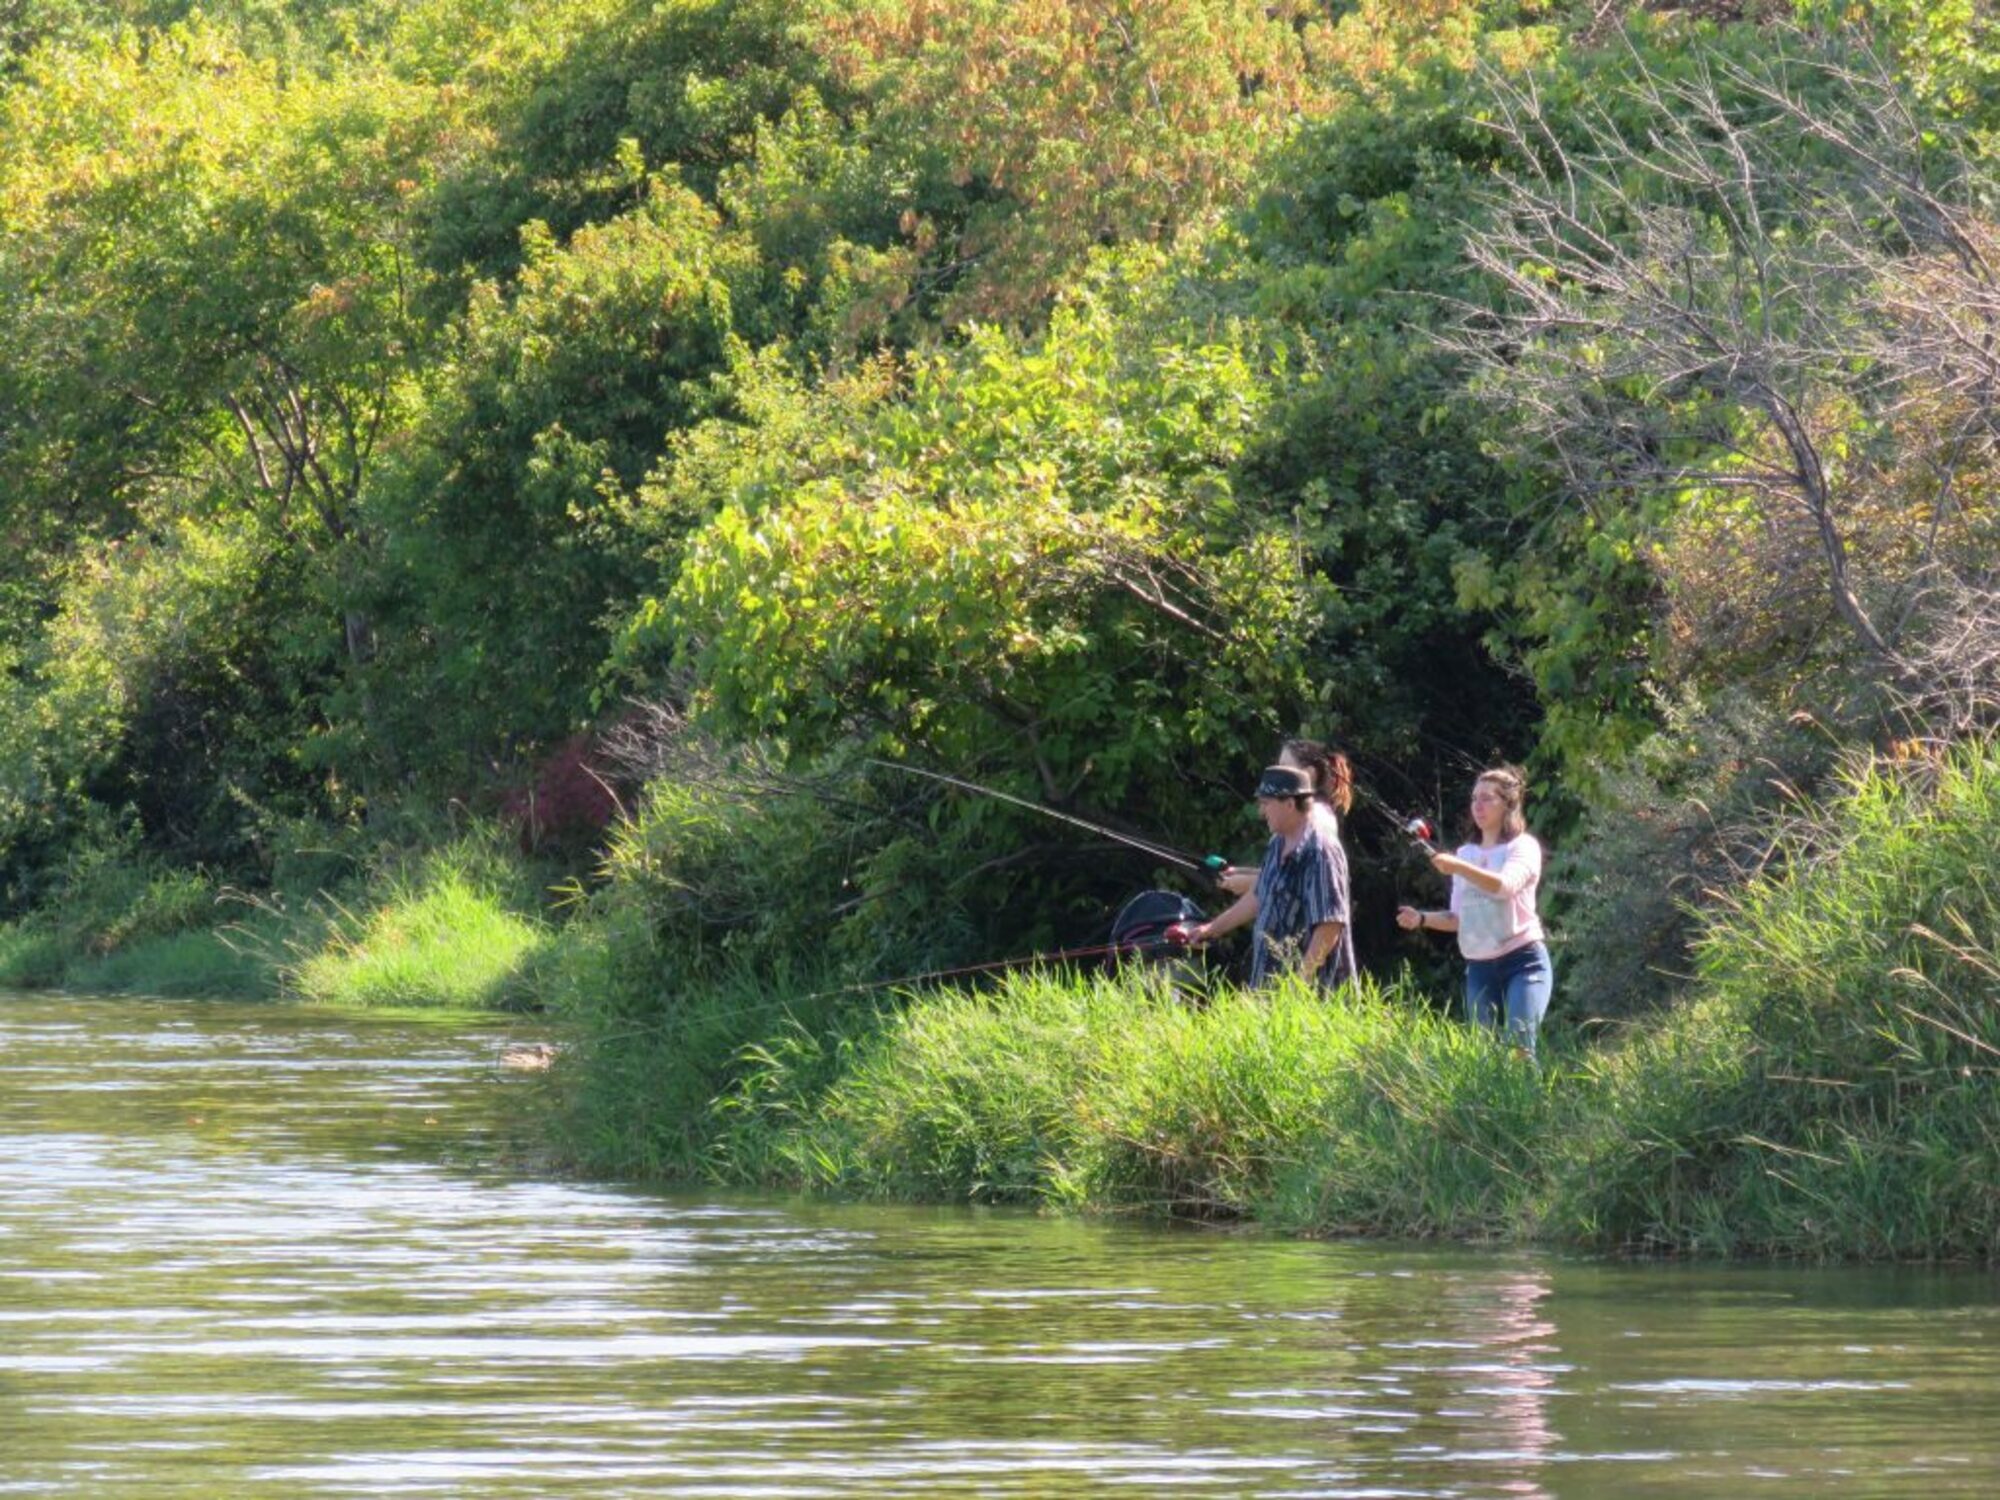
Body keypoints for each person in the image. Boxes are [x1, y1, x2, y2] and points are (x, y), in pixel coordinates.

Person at [1396, 766, 1551, 1055]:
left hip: (1524, 960)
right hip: (1480, 967)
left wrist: (1459, 867)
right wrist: (1422, 919)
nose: (1477, 806)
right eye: (1474, 798)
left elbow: (1504, 886)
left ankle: (1530, 1087)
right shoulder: (1466, 853)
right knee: (1485, 1057)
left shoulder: (1523, 847)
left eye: (1487, 798)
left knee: (1519, 1050)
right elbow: (1457, 918)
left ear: (1508, 804)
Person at [1178, 764, 1355, 989]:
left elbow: (1330, 926)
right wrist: (1211, 929)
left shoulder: (1321, 851)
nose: (1261, 812)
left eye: (1266, 803)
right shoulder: (1277, 843)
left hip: (1314, 995)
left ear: (1290, 804)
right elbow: (1259, 896)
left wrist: (1300, 982)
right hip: (1270, 990)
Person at [1216, 738, 1352, 898]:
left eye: (1285, 767)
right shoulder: (1310, 813)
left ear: (1309, 774)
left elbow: (1295, 882)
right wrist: (1240, 873)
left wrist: (1247, 883)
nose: (1278, 774)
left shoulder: (1315, 816)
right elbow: (1284, 874)